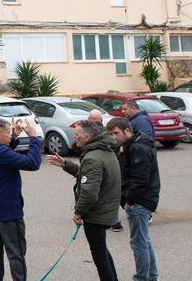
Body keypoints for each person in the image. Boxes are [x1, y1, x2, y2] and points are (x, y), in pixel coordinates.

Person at [46, 120, 121, 281]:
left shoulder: (93, 157)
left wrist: (79, 212)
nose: (75, 137)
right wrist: (65, 164)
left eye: (77, 134)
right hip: (106, 210)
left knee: (99, 255)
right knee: (102, 251)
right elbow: (89, 175)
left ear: (87, 137)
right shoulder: (103, 150)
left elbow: (89, 192)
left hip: (98, 214)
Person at [0, 118, 41, 281]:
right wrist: (33, 138)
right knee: (16, 251)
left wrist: (15, 136)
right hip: (7, 210)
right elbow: (32, 163)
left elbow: (3, 153)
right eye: (8, 133)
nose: (11, 135)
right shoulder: (0, 152)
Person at [109, 117, 161, 281]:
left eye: (116, 133)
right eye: (111, 134)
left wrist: (129, 201)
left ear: (127, 130)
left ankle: (142, 278)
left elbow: (140, 180)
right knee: (144, 241)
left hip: (140, 201)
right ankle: (151, 276)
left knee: (138, 243)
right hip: (140, 199)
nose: (114, 137)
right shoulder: (132, 144)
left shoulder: (138, 147)